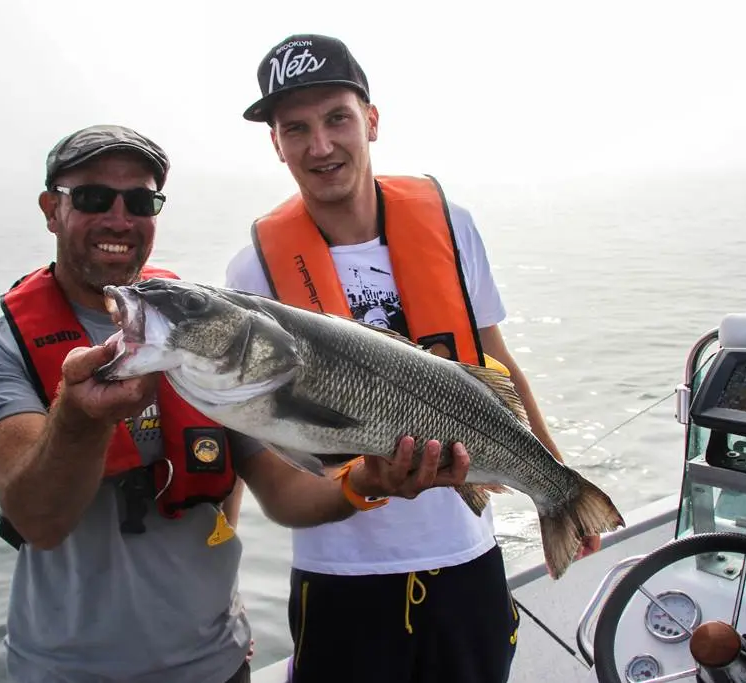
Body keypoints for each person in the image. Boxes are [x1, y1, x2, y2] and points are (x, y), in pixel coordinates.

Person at [0, 124, 471, 683]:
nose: (119, 219)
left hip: (217, 664)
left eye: (141, 200)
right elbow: (38, 520)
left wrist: (367, 482)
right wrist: (78, 420)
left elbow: (286, 493)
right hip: (65, 672)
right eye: (94, 198)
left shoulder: (209, 335)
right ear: (52, 209)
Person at [226, 34, 602, 683]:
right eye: (296, 128)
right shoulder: (252, 271)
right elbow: (255, 433)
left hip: (464, 557)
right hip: (340, 574)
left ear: (370, 119)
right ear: (276, 143)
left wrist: (557, 484)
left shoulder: (450, 225)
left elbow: (494, 360)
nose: (320, 145)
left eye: (336, 118)